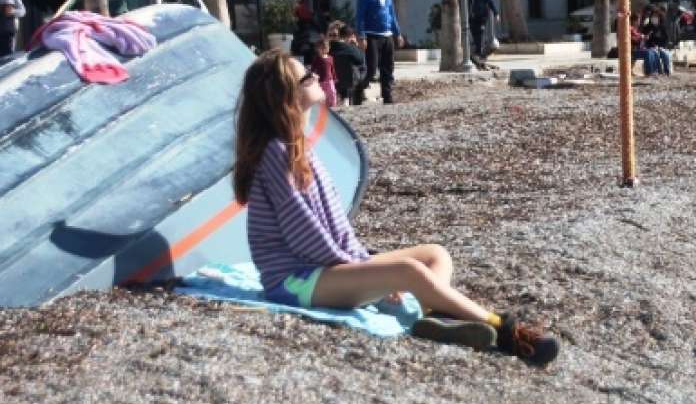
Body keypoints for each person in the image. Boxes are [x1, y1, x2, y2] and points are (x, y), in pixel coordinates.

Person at [233, 49, 561, 365]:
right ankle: (505, 332)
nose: (316, 74)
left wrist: (365, 266)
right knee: (408, 272)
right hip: (295, 281)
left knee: (435, 255)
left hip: (323, 267)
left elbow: (335, 226)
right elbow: (304, 235)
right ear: (287, 97)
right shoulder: (277, 154)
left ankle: (434, 316)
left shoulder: (299, 147)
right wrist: (371, 278)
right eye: (305, 76)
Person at [355, 0, 404, 104]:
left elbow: (392, 14)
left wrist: (398, 33)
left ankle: (387, 96)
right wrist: (361, 35)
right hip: (372, 36)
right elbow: (360, 15)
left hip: (387, 35)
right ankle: (358, 90)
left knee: (388, 67)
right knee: (371, 68)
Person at [330, 24, 366, 107]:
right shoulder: (350, 48)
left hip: (334, 80)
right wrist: (356, 46)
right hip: (350, 80)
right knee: (361, 68)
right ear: (350, 36)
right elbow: (360, 60)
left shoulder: (329, 47)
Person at [467, 0, 499, 69]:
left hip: (481, 19)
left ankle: (479, 54)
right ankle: (478, 55)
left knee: (479, 36)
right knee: (475, 35)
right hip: (472, 19)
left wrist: (496, 13)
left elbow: (491, 2)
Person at [637, 5, 671, 76]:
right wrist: (651, 45)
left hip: (661, 47)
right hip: (651, 47)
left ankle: (667, 71)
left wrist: (662, 47)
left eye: (656, 17)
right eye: (653, 16)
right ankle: (652, 72)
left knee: (665, 54)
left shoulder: (663, 28)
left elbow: (666, 39)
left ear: (659, 18)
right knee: (652, 53)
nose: (654, 18)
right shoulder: (647, 27)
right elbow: (645, 39)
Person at [311, 37, 338, 107]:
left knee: (332, 93)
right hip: (321, 81)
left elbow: (332, 69)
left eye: (326, 47)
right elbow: (313, 69)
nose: (324, 49)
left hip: (330, 80)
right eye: (321, 48)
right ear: (317, 49)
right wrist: (312, 76)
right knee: (322, 95)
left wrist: (335, 77)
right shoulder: (317, 58)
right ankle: (322, 106)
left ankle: (333, 105)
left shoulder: (330, 58)